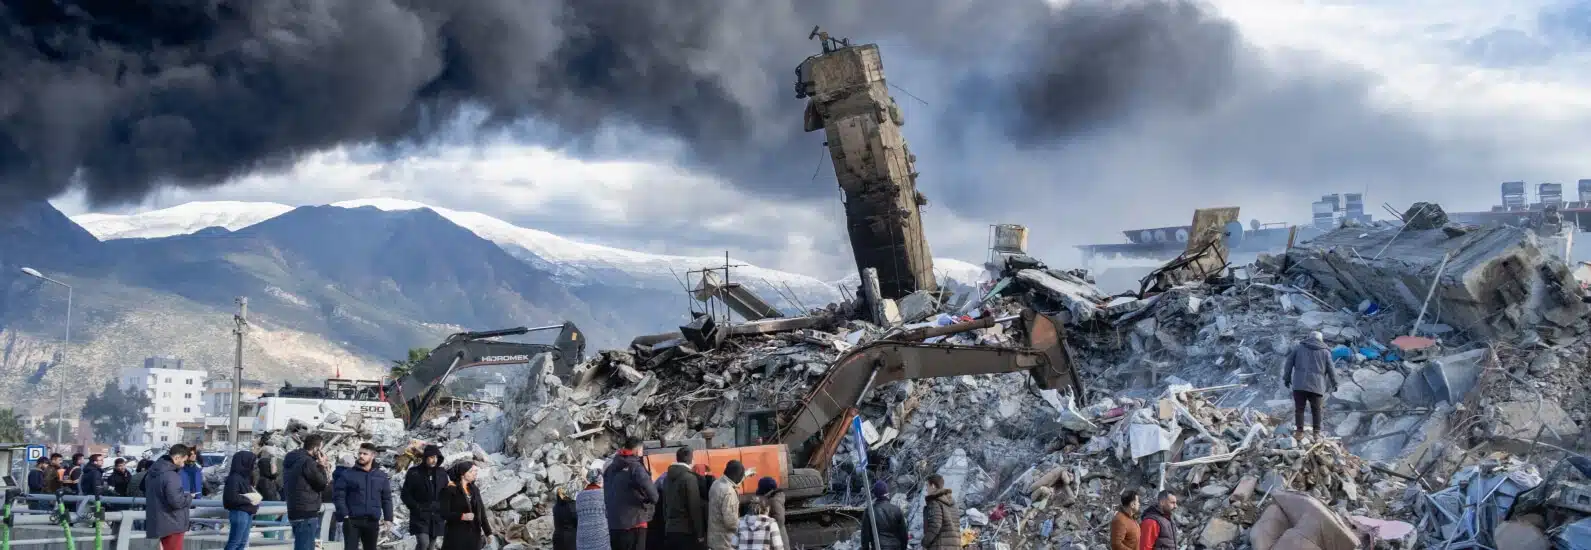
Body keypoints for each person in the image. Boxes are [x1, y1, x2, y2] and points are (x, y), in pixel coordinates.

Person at [334, 443, 394, 550]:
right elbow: (339, 495)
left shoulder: (381, 475)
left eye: (365, 454)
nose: (361, 456)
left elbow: (386, 498)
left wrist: (388, 518)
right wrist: (345, 514)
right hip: (352, 521)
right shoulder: (348, 474)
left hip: (372, 521)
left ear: (373, 455)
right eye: (360, 453)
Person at [602, 437, 658, 550]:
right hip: (635, 522)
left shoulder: (610, 469)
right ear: (637, 450)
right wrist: (648, 503)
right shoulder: (636, 468)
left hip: (614, 524)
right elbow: (653, 495)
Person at [1283, 331, 1337, 440]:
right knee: (1316, 410)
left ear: (1309, 338)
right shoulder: (1325, 352)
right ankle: (1316, 433)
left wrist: (1287, 378)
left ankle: (1299, 432)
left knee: (1299, 409)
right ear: (1321, 340)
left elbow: (1288, 363)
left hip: (1299, 385)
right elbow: (1331, 369)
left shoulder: (1298, 348)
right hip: (1317, 385)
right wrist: (1334, 382)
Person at [284, 434, 333, 550]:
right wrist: (322, 466)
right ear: (316, 449)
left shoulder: (291, 459)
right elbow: (322, 483)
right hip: (307, 511)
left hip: (294, 509)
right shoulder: (308, 462)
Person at [145, 444, 196, 550]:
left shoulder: (152, 472)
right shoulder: (171, 475)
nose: (183, 465)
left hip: (158, 521)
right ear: (177, 457)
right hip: (173, 522)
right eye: (183, 461)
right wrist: (189, 497)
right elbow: (177, 502)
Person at [402, 445, 449, 550]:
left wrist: (443, 507)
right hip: (420, 515)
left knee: (431, 547)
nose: (434, 460)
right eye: (432, 457)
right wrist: (415, 507)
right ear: (425, 457)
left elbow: (446, 493)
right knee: (423, 544)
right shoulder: (414, 472)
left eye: (436, 457)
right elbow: (405, 494)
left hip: (436, 516)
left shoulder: (442, 473)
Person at [439, 461, 492, 550]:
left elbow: (481, 512)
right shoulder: (450, 489)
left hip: (474, 536)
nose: (475, 473)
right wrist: (462, 516)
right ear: (462, 474)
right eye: (471, 471)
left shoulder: (474, 489)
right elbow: (443, 513)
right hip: (456, 536)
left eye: (475, 471)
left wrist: (488, 533)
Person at [662, 446, 706, 549]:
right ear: (690, 459)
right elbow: (694, 508)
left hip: (670, 529)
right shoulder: (689, 478)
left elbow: (664, 504)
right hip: (686, 531)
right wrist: (700, 534)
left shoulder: (666, 478)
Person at [223, 450, 263, 550]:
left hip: (247, 513)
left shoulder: (245, 477)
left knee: (242, 543)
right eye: (251, 462)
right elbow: (231, 498)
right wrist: (250, 499)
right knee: (235, 542)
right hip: (239, 513)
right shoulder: (234, 478)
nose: (253, 465)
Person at [706, 460, 746, 550]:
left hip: (714, 539)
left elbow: (733, 482)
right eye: (741, 475)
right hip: (726, 543)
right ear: (737, 476)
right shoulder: (729, 492)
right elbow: (731, 523)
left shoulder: (716, 483)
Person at [859, 480, 907, 550]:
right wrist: (903, 547)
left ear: (875, 495)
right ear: (887, 494)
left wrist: (865, 548)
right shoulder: (897, 510)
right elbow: (903, 534)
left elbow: (865, 535)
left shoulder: (869, 511)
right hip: (896, 547)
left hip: (878, 547)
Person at [921, 474, 961, 550]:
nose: (926, 489)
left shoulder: (935, 502)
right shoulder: (952, 503)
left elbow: (935, 525)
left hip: (940, 546)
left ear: (932, 486)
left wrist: (925, 542)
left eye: (927, 486)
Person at [576, 469, 610, 550]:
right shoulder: (604, 494)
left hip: (582, 537)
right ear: (600, 480)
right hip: (600, 536)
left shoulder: (579, 496)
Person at [755, 477, 789, 550]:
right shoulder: (774, 499)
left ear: (768, 491)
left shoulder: (774, 501)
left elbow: (780, 519)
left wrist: (767, 528)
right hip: (778, 536)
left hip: (777, 538)